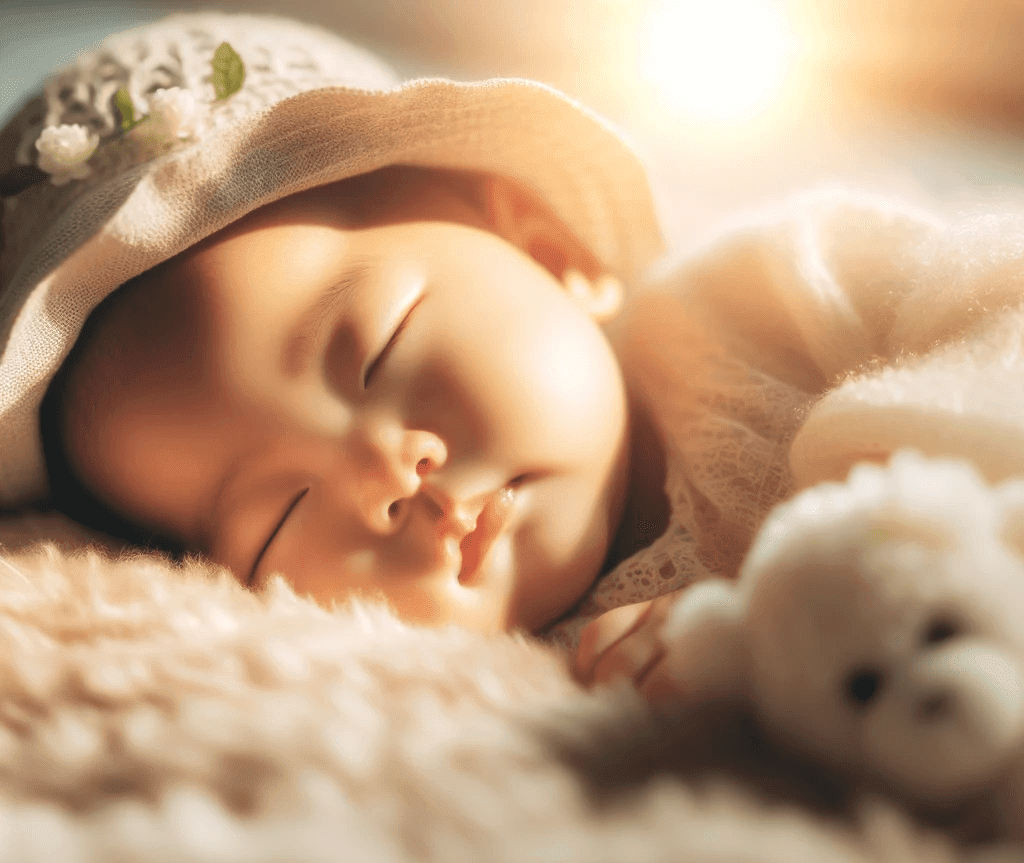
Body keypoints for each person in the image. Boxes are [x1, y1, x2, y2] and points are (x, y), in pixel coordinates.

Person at [4, 12, 1024, 702]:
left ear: (550, 251)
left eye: (377, 353)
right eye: (277, 521)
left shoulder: (771, 291)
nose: (380, 479)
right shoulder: (552, 684)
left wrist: (901, 506)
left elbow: (994, 293)